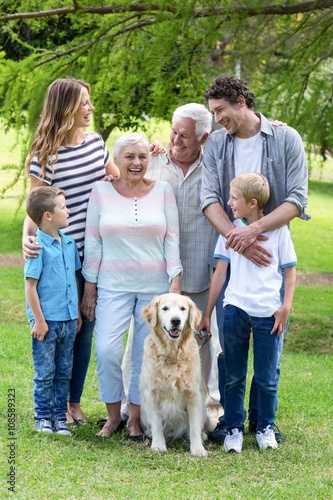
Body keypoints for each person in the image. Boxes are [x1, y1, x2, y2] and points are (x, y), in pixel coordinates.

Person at [22, 76, 164, 425]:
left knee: (85, 329)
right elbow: (34, 206)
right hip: (58, 256)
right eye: (85, 102)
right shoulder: (44, 155)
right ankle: (54, 404)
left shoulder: (97, 144)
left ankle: (72, 402)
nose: (91, 108)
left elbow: (121, 182)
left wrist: (153, 159)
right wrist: (27, 238)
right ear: (67, 106)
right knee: (62, 327)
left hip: (94, 256)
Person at [201, 75, 310, 442]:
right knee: (229, 338)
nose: (217, 119)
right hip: (233, 253)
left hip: (270, 253)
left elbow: (297, 199)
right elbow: (209, 199)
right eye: (212, 112)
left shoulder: (285, 138)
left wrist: (255, 230)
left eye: (221, 111)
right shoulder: (216, 144)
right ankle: (231, 421)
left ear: (241, 102)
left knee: (268, 346)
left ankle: (263, 421)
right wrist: (239, 238)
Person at [121, 103, 223, 428]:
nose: (176, 140)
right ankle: (132, 410)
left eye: (185, 136)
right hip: (155, 276)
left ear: (204, 138)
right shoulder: (151, 163)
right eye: (173, 131)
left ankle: (202, 414)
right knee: (141, 344)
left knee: (201, 348)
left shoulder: (215, 170)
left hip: (198, 275)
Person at [81, 132, 182, 440]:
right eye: (129, 157)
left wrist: (174, 285)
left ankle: (135, 419)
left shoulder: (163, 190)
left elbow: (172, 239)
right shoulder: (101, 191)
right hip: (113, 285)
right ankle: (113, 416)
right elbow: (93, 241)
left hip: (155, 289)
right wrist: (90, 288)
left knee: (144, 355)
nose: (136, 163)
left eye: (142, 157)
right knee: (108, 351)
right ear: (117, 160)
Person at [199, 173, 297, 452]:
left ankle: (265, 426)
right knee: (233, 375)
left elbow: (289, 272)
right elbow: (220, 274)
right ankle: (233, 428)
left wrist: (285, 307)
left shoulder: (279, 232)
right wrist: (207, 313)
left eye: (234, 198)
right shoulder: (230, 231)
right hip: (235, 310)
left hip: (269, 314)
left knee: (266, 377)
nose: (228, 203)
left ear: (252, 203)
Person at [24, 186, 82, 436]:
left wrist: (76, 313)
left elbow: (73, 280)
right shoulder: (37, 247)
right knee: (45, 372)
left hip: (68, 322)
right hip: (46, 324)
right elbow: (30, 288)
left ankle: (60, 417)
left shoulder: (69, 244)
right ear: (48, 215)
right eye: (63, 207)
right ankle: (43, 417)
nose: (68, 210)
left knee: (63, 372)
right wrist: (39, 321)